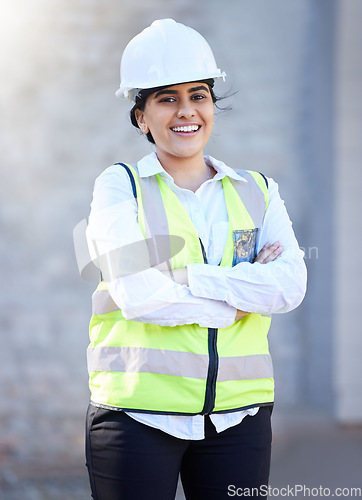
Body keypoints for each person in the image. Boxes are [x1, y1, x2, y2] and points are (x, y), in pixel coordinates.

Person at [84, 19, 307, 500]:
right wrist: (242, 292)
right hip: (137, 417)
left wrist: (188, 276)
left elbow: (289, 286)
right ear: (141, 116)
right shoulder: (119, 187)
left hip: (239, 417)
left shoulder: (258, 190)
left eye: (198, 95)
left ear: (212, 105)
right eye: (167, 98)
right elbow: (139, 295)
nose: (186, 111)